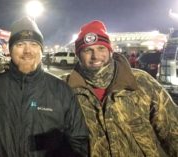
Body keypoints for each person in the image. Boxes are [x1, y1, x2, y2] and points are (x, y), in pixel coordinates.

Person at [0, 17, 89, 157]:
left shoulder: (61, 90)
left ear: (41, 50)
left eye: (34, 44)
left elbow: (78, 141)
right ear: (10, 50)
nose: (27, 51)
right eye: (20, 44)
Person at [66, 20, 178, 157]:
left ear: (110, 50)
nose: (95, 56)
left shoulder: (141, 82)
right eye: (87, 50)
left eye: (101, 48)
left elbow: (172, 130)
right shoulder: (66, 89)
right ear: (78, 55)